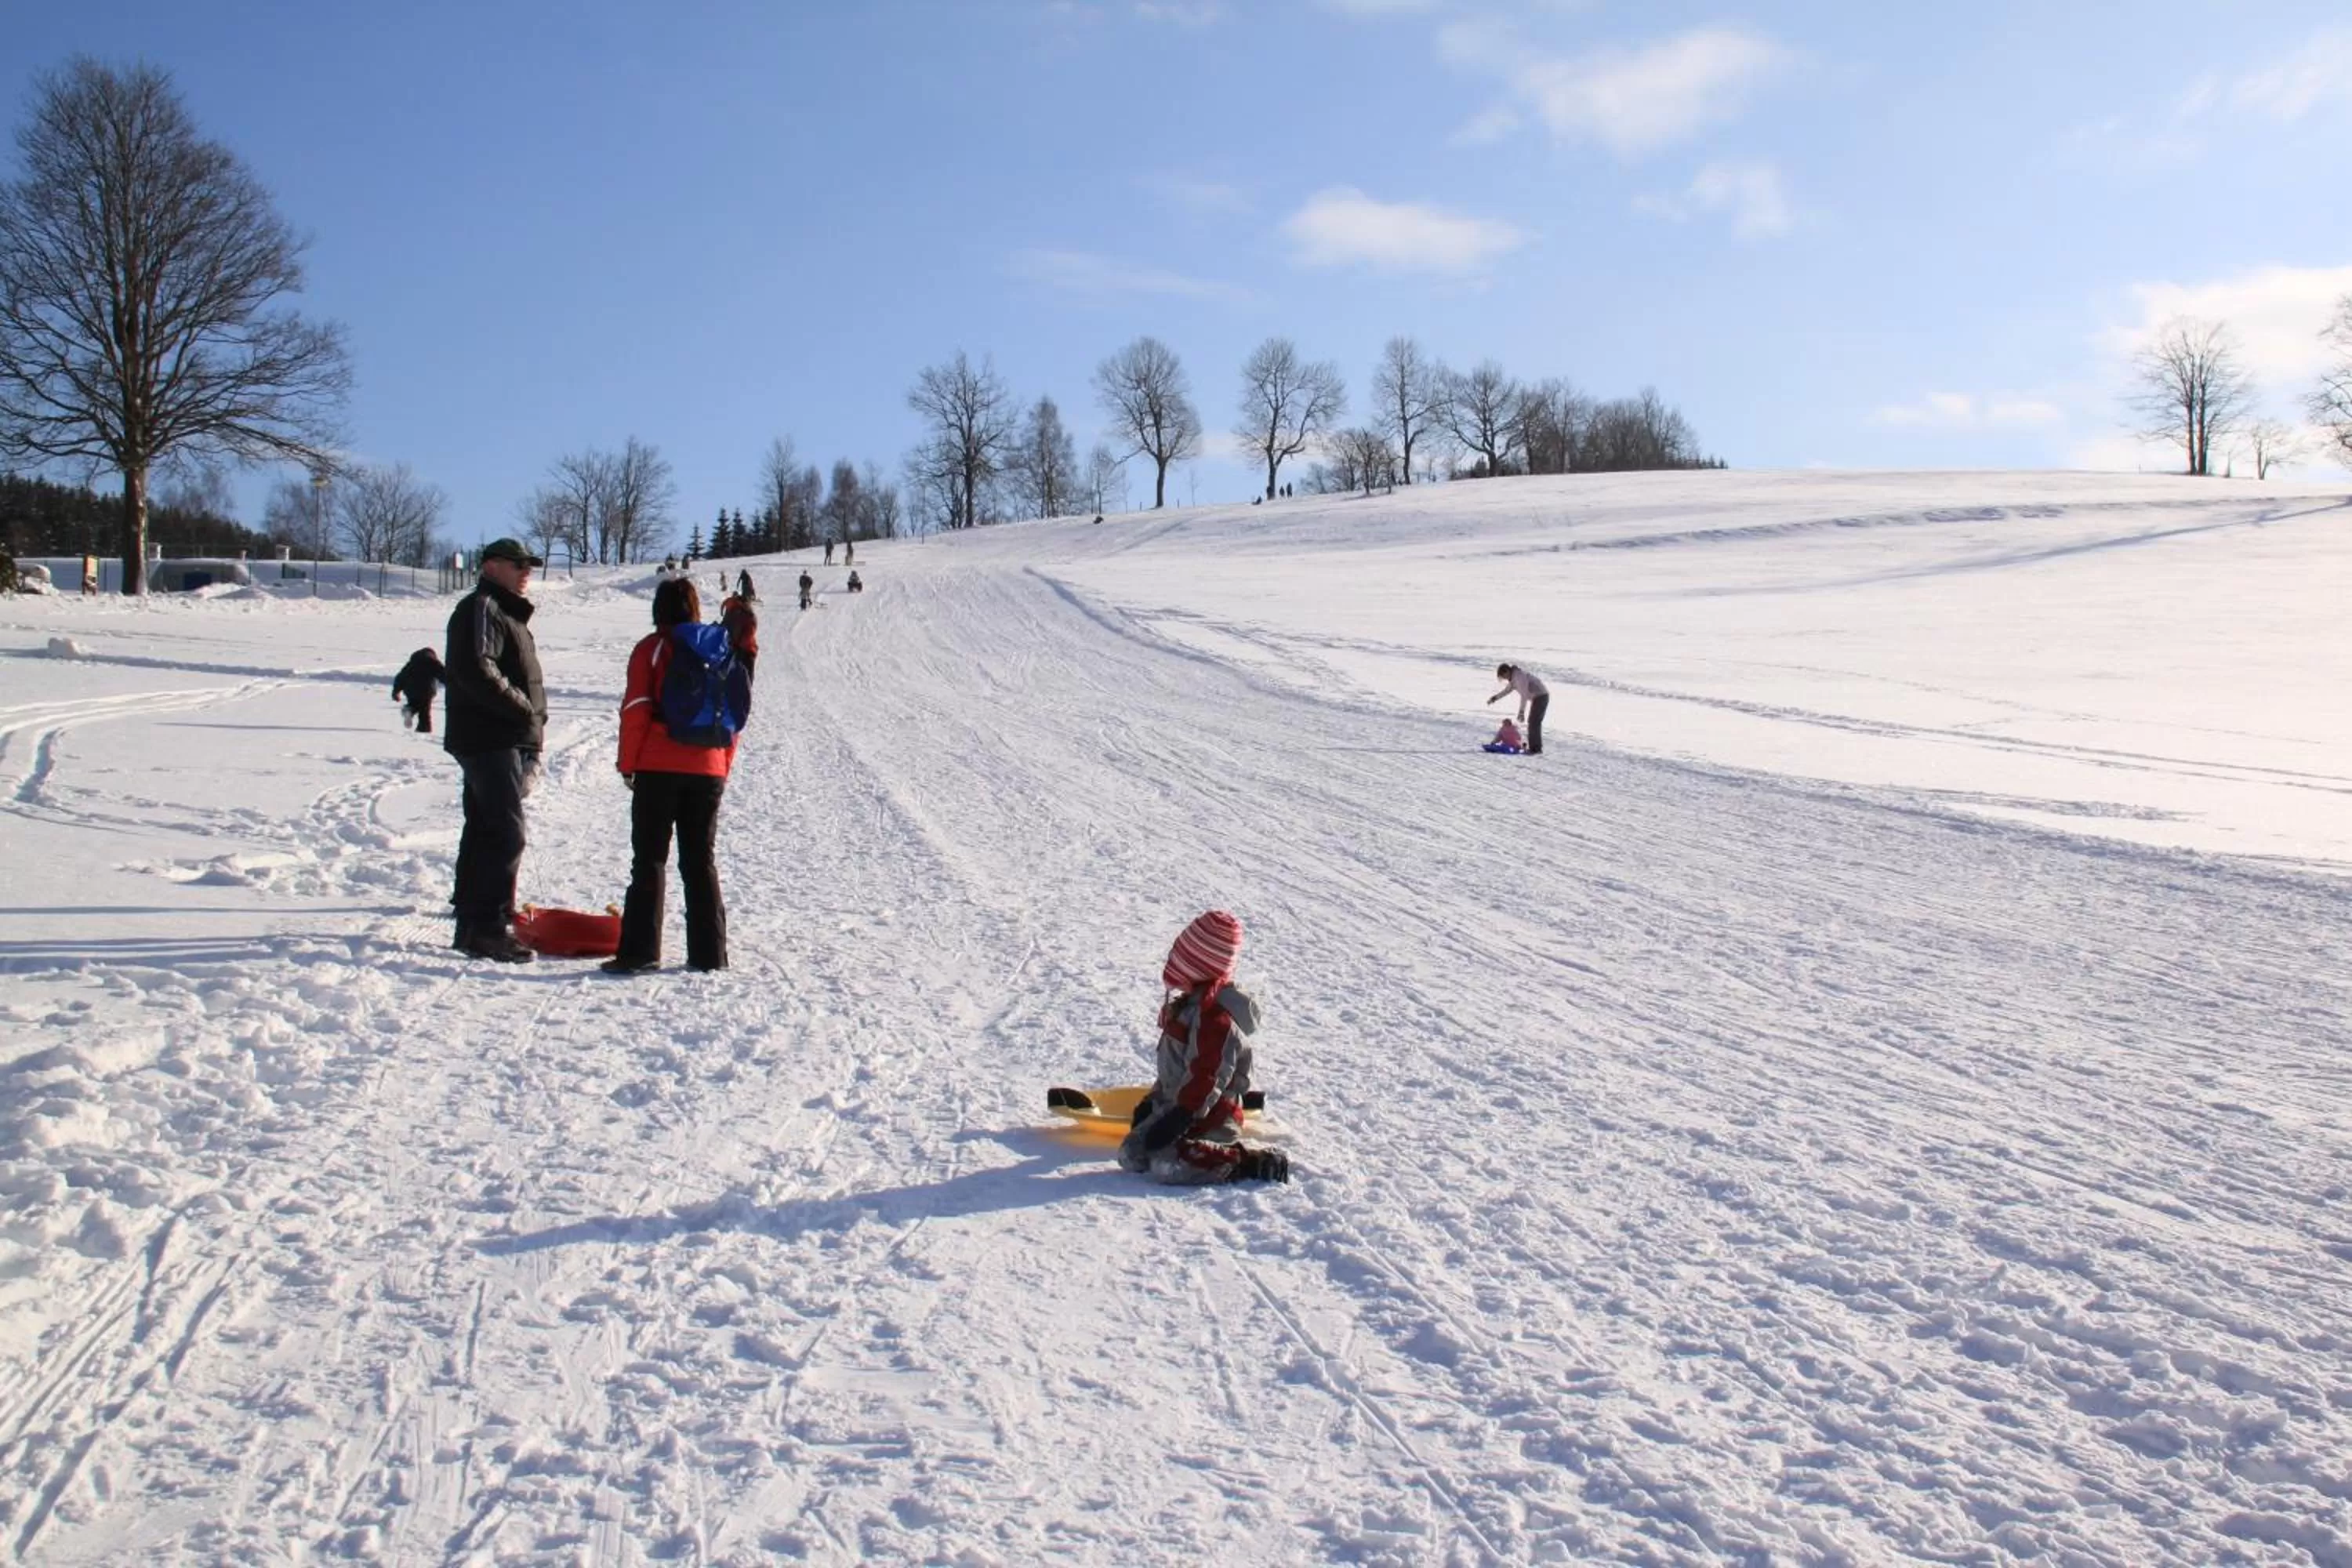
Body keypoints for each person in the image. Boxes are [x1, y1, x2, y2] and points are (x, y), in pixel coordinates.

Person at [605, 577, 740, 974]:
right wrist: (721, 766)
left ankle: (640, 952)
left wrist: (628, 763)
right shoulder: (720, 650)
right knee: (700, 862)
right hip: (708, 766)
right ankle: (709, 955)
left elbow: (636, 709)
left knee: (649, 859)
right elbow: (733, 716)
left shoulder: (651, 649)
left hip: (658, 765)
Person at [1118, 911, 1290, 1185]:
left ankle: (1247, 1162)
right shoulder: (1187, 1007)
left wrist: (1182, 1117)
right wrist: (1151, 1103)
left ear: (1197, 966)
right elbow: (1174, 1069)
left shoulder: (1214, 1018)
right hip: (1174, 1107)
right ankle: (1183, 1141)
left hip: (1210, 1117)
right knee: (1131, 1155)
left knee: (1168, 1164)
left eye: (1182, 958)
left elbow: (1208, 1075)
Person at [445, 539, 548, 963]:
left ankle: (472, 923)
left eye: (530, 566)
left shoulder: (504, 611)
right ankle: (487, 926)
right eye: (518, 565)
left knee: (485, 827)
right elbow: (477, 667)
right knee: (506, 832)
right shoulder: (483, 606)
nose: (527, 572)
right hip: (490, 736)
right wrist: (522, 710)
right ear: (490, 567)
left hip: (497, 735)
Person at [1486, 662, 1549, 757]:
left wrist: (1521, 712)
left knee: (1534, 722)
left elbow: (1524, 694)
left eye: (1504, 676)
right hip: (1537, 698)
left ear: (1507, 671)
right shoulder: (1513, 679)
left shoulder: (1519, 677)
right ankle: (1535, 748)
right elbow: (1506, 691)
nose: (1505, 678)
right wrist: (1495, 698)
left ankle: (1536, 749)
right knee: (1533, 722)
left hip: (1541, 696)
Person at [391, 647, 445, 734]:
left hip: (410, 691)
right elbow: (443, 674)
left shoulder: (411, 664)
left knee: (414, 705)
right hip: (426, 691)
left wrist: (396, 692)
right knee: (424, 714)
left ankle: (409, 710)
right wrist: (451, 685)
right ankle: (423, 732)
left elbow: (400, 678)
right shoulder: (432, 662)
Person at [719, 577, 760, 674]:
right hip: (745, 653)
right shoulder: (748, 615)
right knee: (744, 682)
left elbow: (723, 626)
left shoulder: (731, 610)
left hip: (727, 650)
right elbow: (748, 636)